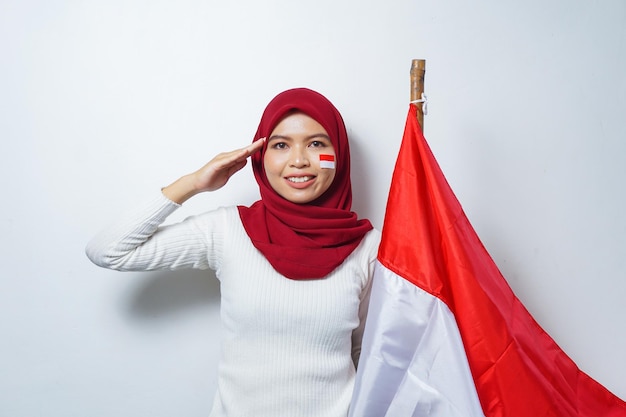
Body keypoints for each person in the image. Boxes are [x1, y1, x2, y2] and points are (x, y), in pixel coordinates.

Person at [86, 88, 380, 417]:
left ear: (339, 153)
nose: (299, 160)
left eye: (317, 144)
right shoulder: (228, 231)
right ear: (260, 155)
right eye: (281, 145)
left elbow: (368, 353)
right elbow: (109, 251)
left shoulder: (368, 247)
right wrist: (194, 183)